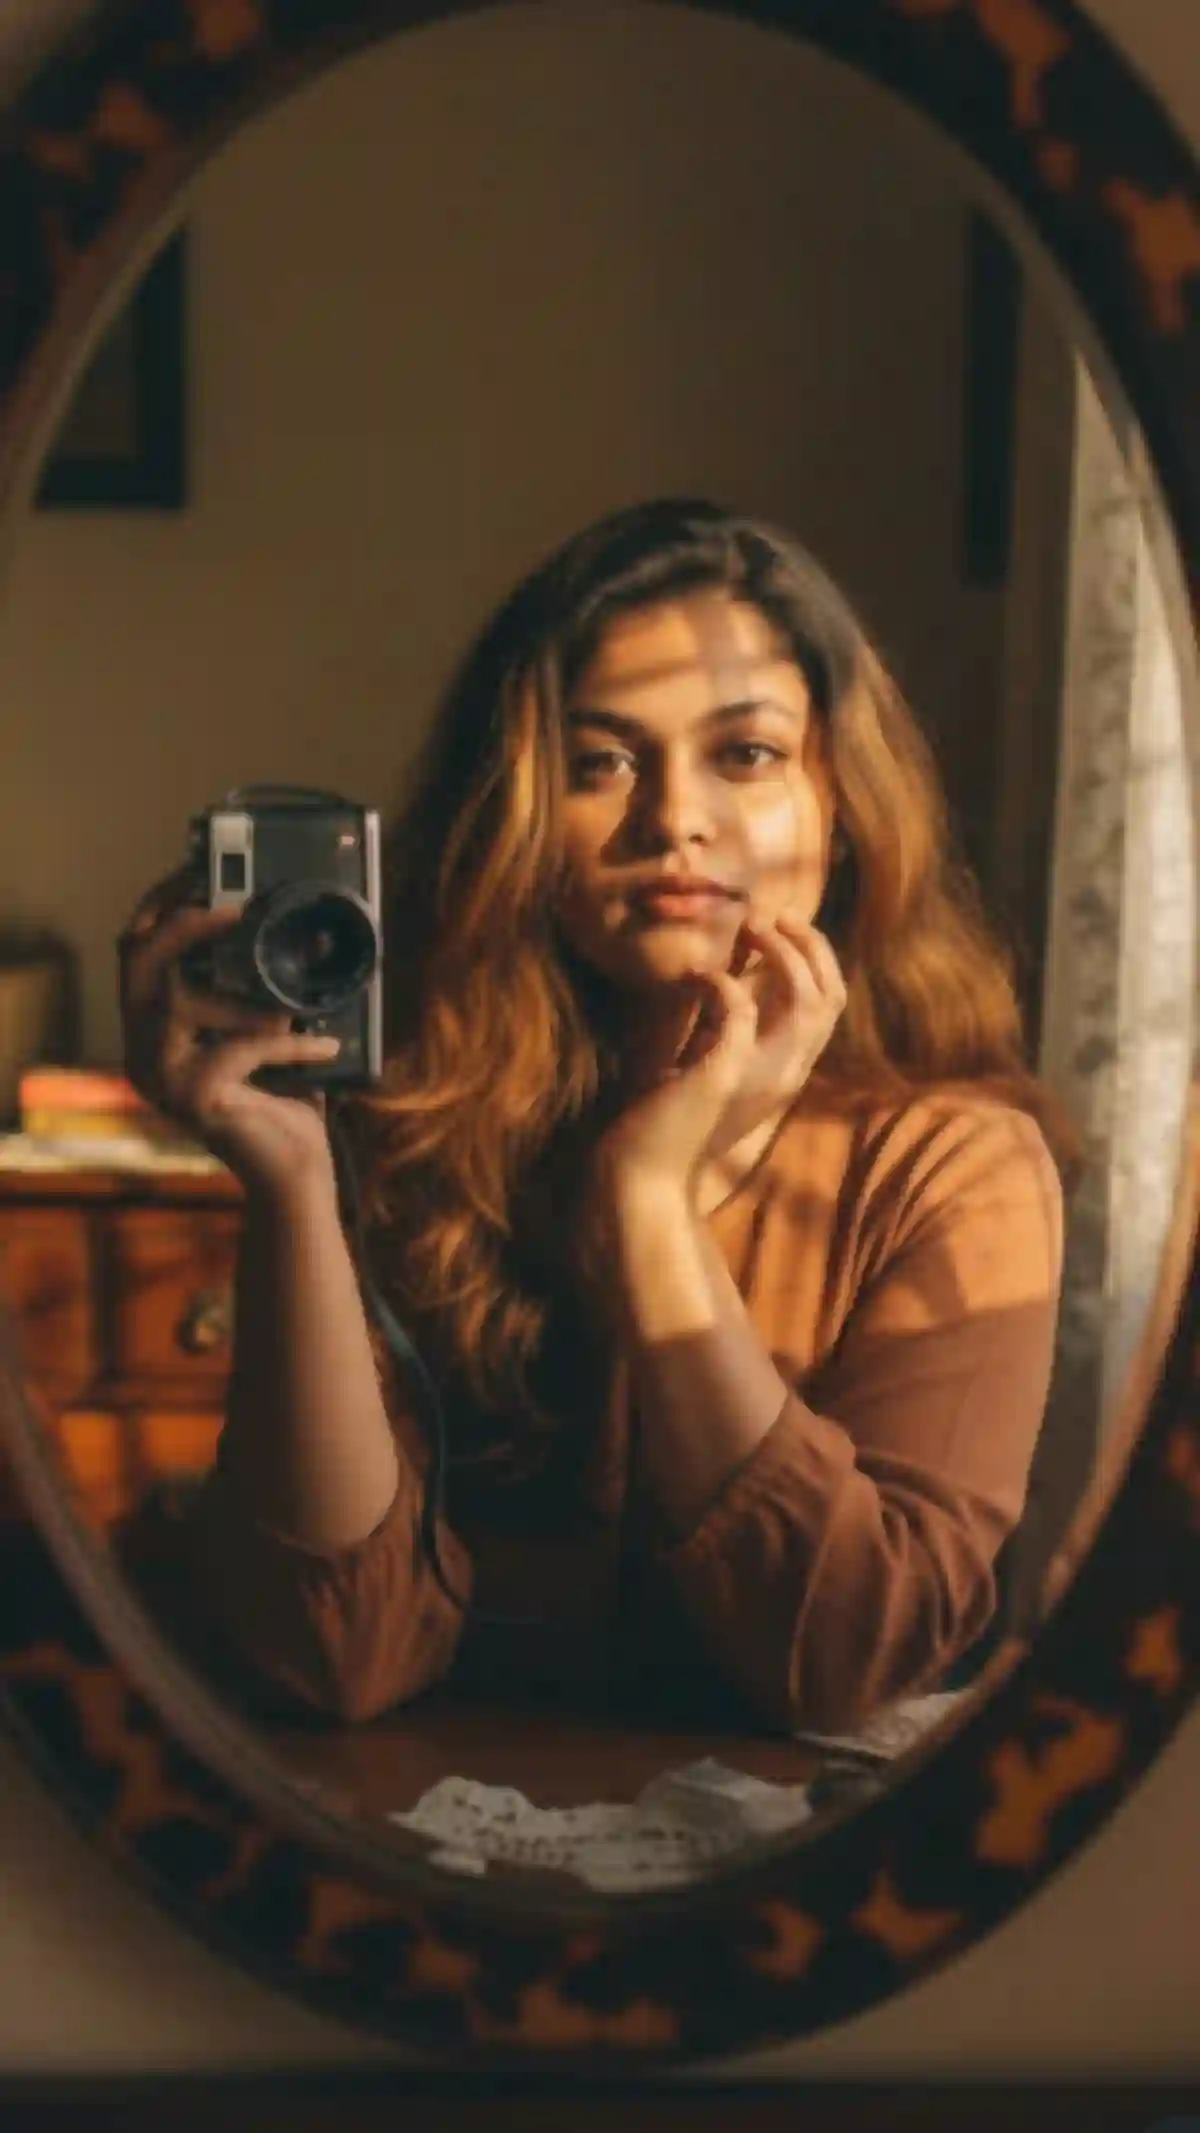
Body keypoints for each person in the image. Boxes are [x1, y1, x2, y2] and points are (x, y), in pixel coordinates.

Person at [116, 498, 1071, 1739]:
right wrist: (293, 1183)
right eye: (601, 763)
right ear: (519, 816)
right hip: (396, 1832)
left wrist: (647, 1205)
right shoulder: (415, 1123)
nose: (673, 818)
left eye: (746, 754)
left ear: (841, 808)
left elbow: (846, 1657)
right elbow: (333, 1656)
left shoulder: (955, 1166)